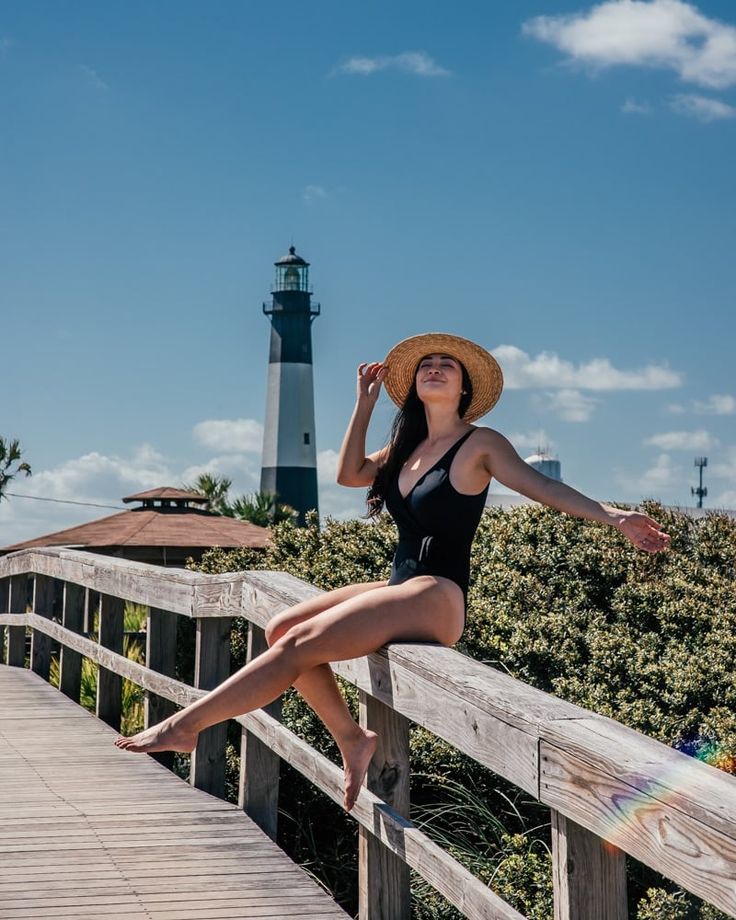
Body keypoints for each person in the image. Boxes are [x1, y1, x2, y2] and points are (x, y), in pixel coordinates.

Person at [115, 332, 671, 810]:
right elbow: (350, 474)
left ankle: (185, 725)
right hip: (401, 584)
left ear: (464, 388)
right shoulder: (405, 447)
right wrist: (363, 402)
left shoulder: (481, 443)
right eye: (426, 364)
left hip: (439, 593)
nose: (434, 368)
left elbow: (541, 486)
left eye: (446, 365)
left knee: (300, 641)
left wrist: (613, 515)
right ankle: (352, 738)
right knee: (282, 629)